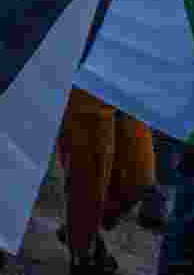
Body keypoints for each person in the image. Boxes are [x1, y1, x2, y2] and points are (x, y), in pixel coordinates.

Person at [57, 88, 156, 274]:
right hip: (83, 77)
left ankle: (81, 229)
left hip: (127, 73)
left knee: (140, 179)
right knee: (88, 164)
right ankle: (83, 247)